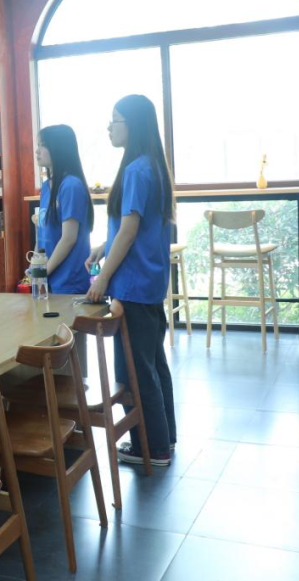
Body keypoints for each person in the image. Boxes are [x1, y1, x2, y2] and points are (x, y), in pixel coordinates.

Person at [85, 94, 176, 467]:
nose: (110, 127)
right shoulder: (152, 165)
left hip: (133, 286)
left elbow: (130, 229)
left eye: (116, 120)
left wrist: (103, 277)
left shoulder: (137, 170)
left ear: (132, 125)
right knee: (153, 364)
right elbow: (129, 229)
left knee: (135, 372)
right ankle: (164, 439)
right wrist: (103, 247)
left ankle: (150, 449)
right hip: (149, 283)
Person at [36, 124, 93, 294]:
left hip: (69, 282)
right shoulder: (46, 187)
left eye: (43, 145)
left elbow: (69, 239)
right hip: (49, 280)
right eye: (38, 145)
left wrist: (43, 272)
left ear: (58, 149)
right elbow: (42, 234)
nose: (37, 151)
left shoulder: (71, 186)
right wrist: (36, 267)